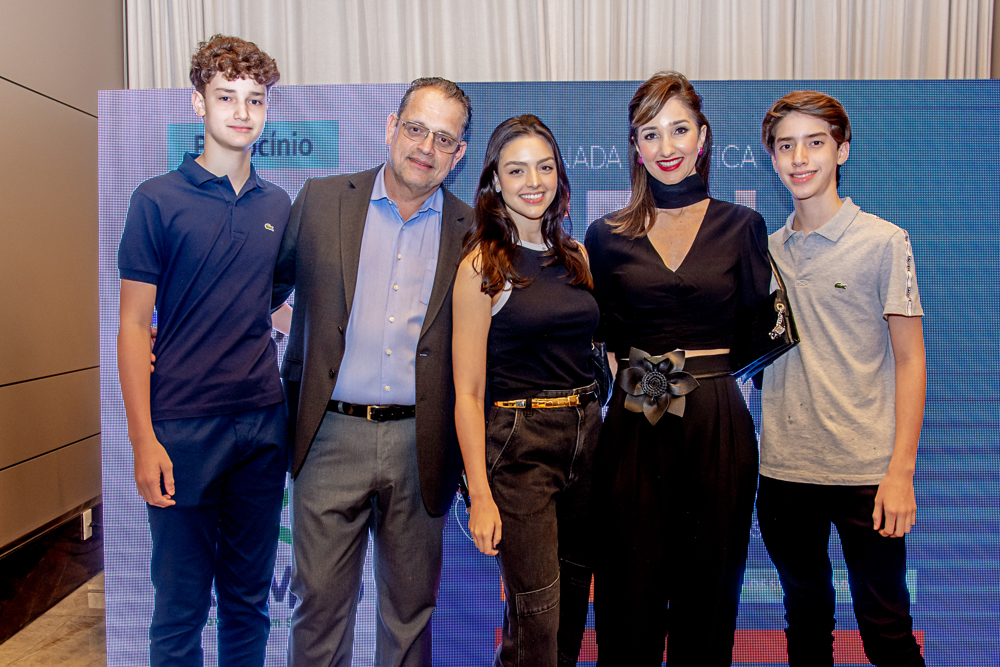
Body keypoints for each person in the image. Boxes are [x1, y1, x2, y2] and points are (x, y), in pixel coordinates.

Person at [271, 77, 473, 667]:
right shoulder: (321, 200)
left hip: (422, 444)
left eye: (443, 138)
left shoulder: (473, 229)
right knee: (319, 611)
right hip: (329, 436)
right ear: (391, 127)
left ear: (458, 154)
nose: (426, 147)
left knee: (410, 615)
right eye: (416, 128)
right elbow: (265, 289)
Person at [583, 71, 771, 665]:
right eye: (650, 133)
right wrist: (653, 381)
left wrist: (700, 381)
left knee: (709, 603)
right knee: (627, 601)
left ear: (703, 136)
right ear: (634, 147)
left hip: (718, 428)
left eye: (679, 129)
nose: (667, 147)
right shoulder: (605, 235)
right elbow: (600, 340)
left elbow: (754, 337)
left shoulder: (743, 226)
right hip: (635, 428)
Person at [116, 35, 288, 667]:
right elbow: (135, 325)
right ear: (198, 104)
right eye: (226, 97)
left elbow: (271, 304)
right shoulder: (156, 199)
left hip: (263, 427)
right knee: (181, 606)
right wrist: (143, 440)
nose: (241, 112)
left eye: (254, 100)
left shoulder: (278, 206)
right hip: (183, 430)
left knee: (248, 603)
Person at [757, 91, 926, 666]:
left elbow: (910, 361)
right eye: (785, 146)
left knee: (886, 629)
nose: (799, 158)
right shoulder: (763, 250)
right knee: (806, 622)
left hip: (867, 476)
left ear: (842, 150)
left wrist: (899, 472)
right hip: (783, 473)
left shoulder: (883, 241)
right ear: (772, 157)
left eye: (815, 142)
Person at [452, 115, 602, 667]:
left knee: (568, 613)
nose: (533, 181)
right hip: (519, 448)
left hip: (589, 439)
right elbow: (466, 393)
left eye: (544, 167)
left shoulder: (578, 256)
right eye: (517, 170)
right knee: (536, 618)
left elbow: (597, 352)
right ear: (494, 180)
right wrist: (481, 497)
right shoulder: (482, 267)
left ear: (560, 176)